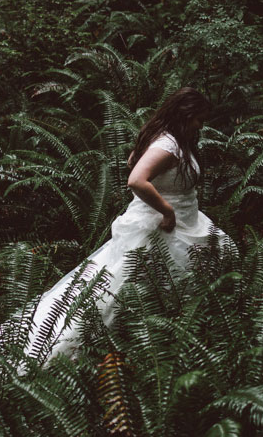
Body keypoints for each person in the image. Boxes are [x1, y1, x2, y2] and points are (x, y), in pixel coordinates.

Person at [19, 86, 231, 364]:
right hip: (165, 226)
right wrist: (166, 211)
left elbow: (134, 160)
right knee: (126, 286)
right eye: (198, 119)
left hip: (188, 221)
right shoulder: (166, 145)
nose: (200, 126)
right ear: (185, 114)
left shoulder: (170, 139)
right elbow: (136, 179)